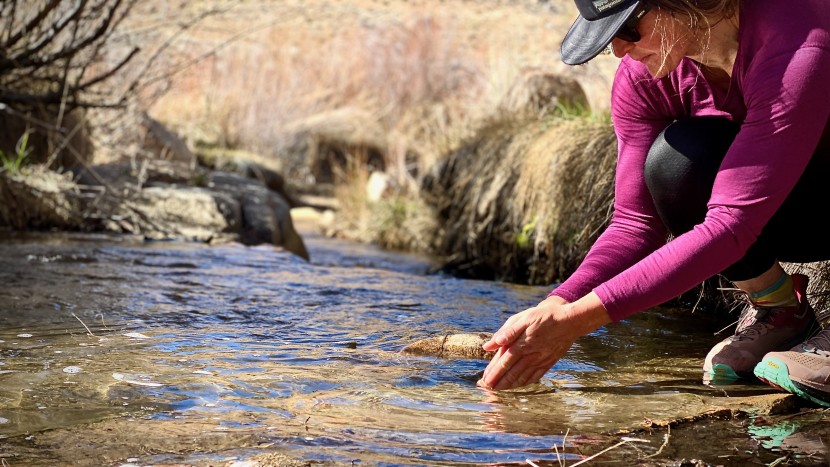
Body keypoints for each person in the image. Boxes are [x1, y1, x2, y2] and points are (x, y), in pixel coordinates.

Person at [476, 0, 830, 407]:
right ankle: (780, 311)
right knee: (676, 163)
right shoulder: (644, 77)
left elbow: (731, 226)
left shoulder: (796, 46)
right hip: (799, 195)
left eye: (628, 29)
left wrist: (576, 322)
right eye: (610, 37)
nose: (618, 51)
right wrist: (557, 304)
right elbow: (635, 224)